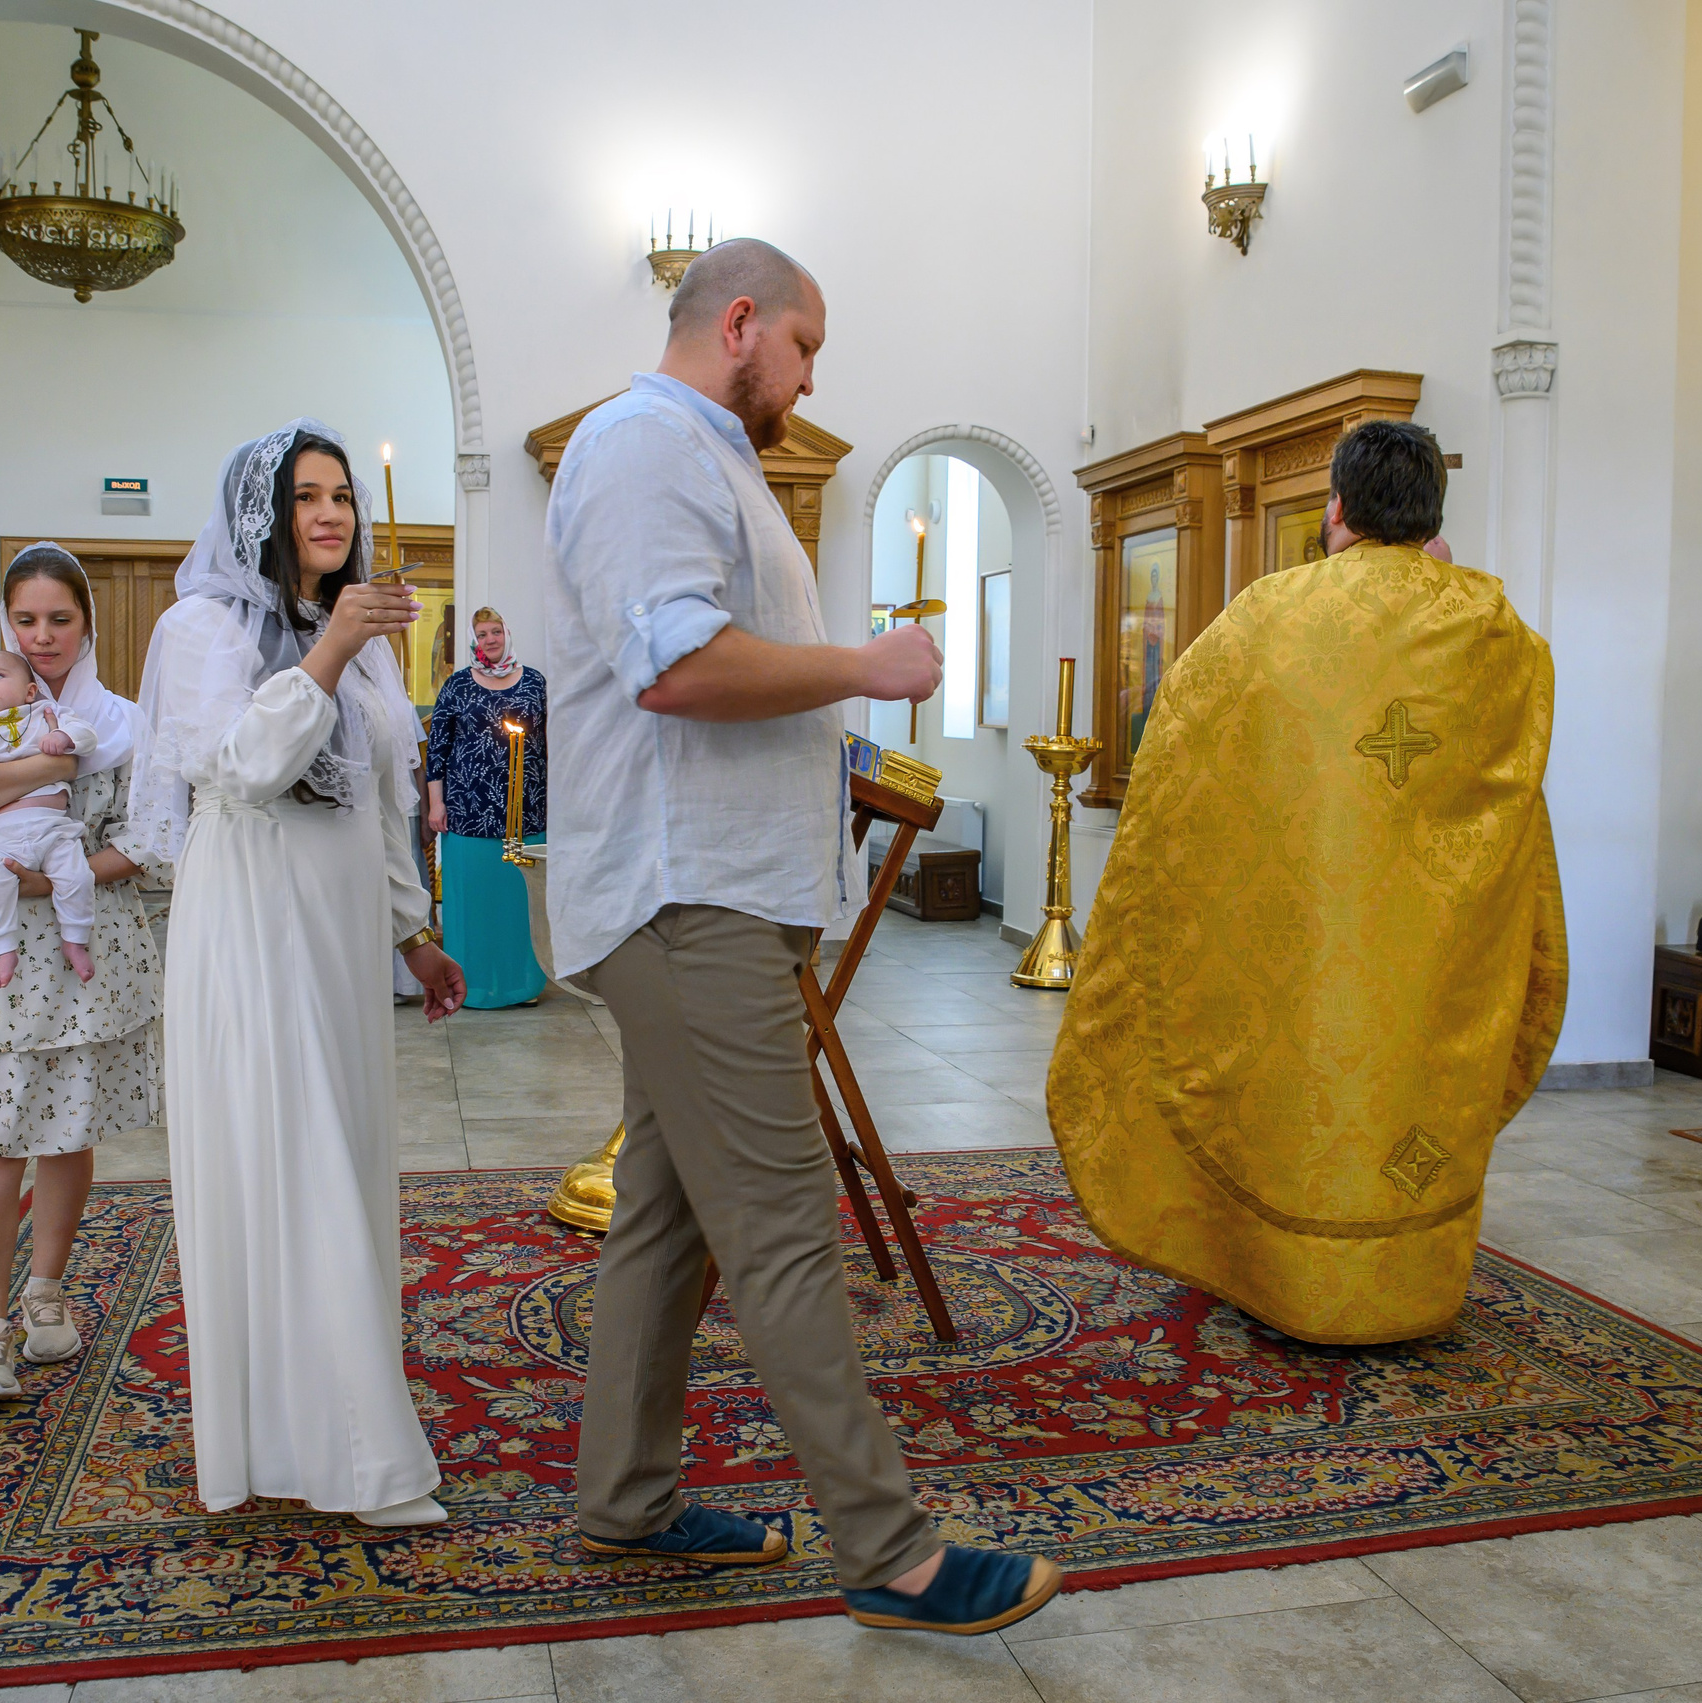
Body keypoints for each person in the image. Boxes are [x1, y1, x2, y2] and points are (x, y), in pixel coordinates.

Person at [546, 237, 1061, 1635]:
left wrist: (827, 742)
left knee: (668, 1222)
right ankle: (889, 1546)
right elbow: (677, 665)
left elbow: (712, 669)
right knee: (779, 1222)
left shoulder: (705, 453)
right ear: (739, 323)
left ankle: (624, 1498)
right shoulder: (647, 446)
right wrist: (865, 669)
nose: (813, 376)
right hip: (684, 897)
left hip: (719, 888)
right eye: (807, 347)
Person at [1050, 421, 1567, 1345]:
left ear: (1335, 508)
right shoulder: (1500, 634)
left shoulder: (1266, 618)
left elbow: (1178, 756)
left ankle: (1287, 1277)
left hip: (1306, 947)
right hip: (1432, 954)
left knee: (1306, 1101)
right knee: (1406, 1094)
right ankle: (1408, 1288)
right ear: (1432, 516)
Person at [134, 419, 467, 1524]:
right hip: (253, 917)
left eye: (341, 496)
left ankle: (323, 1420)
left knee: (342, 1160)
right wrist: (326, 651)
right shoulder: (202, 627)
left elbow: (376, 793)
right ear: (259, 515)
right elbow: (242, 764)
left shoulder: (357, 634)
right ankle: (358, 1457)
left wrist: (411, 928)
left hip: (336, 933)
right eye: (303, 496)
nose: (330, 513)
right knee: (293, 1159)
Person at [0, 543, 163, 1403]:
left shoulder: (119, 719)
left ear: (86, 624)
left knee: (65, 1132)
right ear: (3, 621)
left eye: (60, 619)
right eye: (26, 619)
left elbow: (146, 839)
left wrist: (63, 877)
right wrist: (50, 765)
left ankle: (46, 1294)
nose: (41, 637)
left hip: (82, 952)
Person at [0, 649, 97, 988]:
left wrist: (63, 737)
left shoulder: (45, 713)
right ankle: (4, 948)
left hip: (53, 830)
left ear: (29, 691)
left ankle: (75, 938)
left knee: (77, 877)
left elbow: (86, 733)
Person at [424, 607, 548, 1007]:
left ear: (507, 634)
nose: (490, 639)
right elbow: (438, 750)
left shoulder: (534, 683)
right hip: (467, 810)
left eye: (496, 631)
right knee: (473, 901)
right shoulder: (457, 685)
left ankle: (520, 984)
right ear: (473, 640)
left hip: (526, 812)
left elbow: (550, 745)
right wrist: (436, 804)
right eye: (482, 633)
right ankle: (471, 986)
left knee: (518, 901)